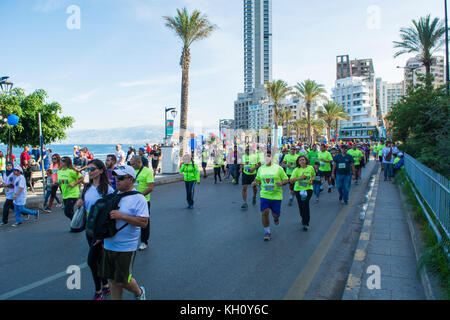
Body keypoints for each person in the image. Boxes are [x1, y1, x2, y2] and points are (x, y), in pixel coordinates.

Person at [98, 165, 148, 300]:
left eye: (120, 178)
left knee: (123, 280)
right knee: (112, 279)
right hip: (109, 244)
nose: (117, 180)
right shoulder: (114, 195)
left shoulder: (139, 198)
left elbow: (144, 222)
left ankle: (138, 292)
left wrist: (122, 216)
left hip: (126, 246)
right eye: (115, 177)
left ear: (131, 179)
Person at [75, 159, 114, 300]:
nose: (90, 172)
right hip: (89, 229)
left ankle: (99, 291)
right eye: (88, 169)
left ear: (101, 171)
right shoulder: (86, 188)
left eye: (93, 169)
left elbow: (110, 214)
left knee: (91, 261)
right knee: (97, 260)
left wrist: (102, 236)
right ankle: (106, 286)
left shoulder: (107, 190)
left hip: (100, 231)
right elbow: (86, 206)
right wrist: (80, 203)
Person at [252, 150, 289, 241]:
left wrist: (281, 183)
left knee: (275, 214)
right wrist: (254, 182)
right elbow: (258, 179)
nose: (267, 158)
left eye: (269, 156)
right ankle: (267, 231)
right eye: (266, 157)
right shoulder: (261, 169)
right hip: (264, 194)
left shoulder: (278, 168)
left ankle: (276, 217)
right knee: (264, 213)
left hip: (276, 195)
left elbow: (286, 179)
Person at [129, 156, 154, 251]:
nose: (131, 166)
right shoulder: (131, 171)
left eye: (133, 164)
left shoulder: (147, 172)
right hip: (130, 200)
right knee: (130, 220)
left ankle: (144, 241)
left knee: (144, 223)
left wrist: (139, 196)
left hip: (143, 201)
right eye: (130, 164)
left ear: (139, 162)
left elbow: (150, 187)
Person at [290, 155, 316, 231]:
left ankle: (306, 222)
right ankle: (303, 217)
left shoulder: (310, 168)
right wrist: (300, 178)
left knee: (305, 203)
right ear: (298, 162)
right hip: (298, 189)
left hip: (308, 189)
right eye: (300, 160)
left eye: (303, 159)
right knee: (301, 205)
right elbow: (291, 180)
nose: (302, 161)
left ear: (306, 160)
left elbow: (313, 175)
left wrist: (312, 180)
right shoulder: (296, 170)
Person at [58, 156, 84, 223]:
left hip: (73, 193)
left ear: (66, 163)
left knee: (67, 211)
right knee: (70, 211)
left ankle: (76, 222)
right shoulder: (59, 171)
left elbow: (81, 178)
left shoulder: (71, 171)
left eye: (63, 161)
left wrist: (74, 184)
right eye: (60, 161)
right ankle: (75, 225)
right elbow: (61, 182)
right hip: (65, 194)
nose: (61, 162)